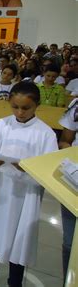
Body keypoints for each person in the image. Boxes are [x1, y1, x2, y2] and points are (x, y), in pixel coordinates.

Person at [0, 81, 58, 287]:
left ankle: (15, 280)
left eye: (25, 108)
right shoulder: (1, 125)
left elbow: (49, 168)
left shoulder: (45, 134)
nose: (19, 112)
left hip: (25, 194)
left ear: (36, 105)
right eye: (15, 107)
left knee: (18, 238)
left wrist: (29, 169)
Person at [58, 98, 77, 281]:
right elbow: (64, 141)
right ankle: (68, 281)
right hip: (75, 180)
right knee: (71, 242)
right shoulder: (76, 106)